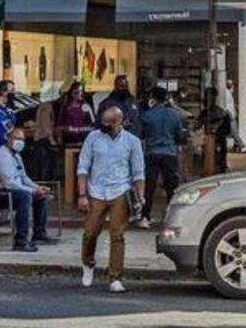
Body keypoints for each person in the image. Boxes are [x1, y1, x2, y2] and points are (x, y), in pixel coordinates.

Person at [76, 105, 146, 292]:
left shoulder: (132, 142)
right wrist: (82, 194)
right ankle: (88, 262)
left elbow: (138, 172)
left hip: (120, 190)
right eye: (103, 121)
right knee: (90, 232)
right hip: (96, 190)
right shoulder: (93, 137)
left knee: (117, 235)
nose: (103, 124)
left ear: (119, 122)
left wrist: (140, 197)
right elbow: (83, 166)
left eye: (108, 122)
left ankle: (115, 277)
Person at [0, 121, 54, 251]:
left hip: (6, 191)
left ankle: (39, 234)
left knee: (41, 196)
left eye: (22, 139)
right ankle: (21, 241)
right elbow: (10, 183)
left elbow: (23, 177)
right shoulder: (2, 156)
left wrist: (37, 187)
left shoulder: (16, 156)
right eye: (17, 139)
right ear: (8, 139)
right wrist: (33, 190)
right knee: (25, 197)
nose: (20, 142)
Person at [135, 86, 188, 227]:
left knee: (149, 187)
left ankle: (145, 217)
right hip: (170, 153)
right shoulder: (174, 115)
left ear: (153, 98)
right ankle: (173, 218)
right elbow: (179, 136)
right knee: (172, 187)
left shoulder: (147, 115)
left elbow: (140, 135)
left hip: (152, 153)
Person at [197, 87, 234, 173]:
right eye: (207, 97)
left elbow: (227, 130)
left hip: (218, 145)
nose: (208, 100)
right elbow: (198, 125)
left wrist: (216, 134)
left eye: (210, 97)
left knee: (219, 166)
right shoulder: (204, 113)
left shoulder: (222, 113)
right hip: (208, 147)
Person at [57, 80, 94, 146]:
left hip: (83, 135)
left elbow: (92, 124)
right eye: (77, 92)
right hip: (70, 136)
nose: (80, 94)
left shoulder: (86, 106)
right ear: (72, 93)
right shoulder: (66, 107)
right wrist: (68, 129)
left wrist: (84, 129)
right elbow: (60, 124)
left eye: (81, 92)